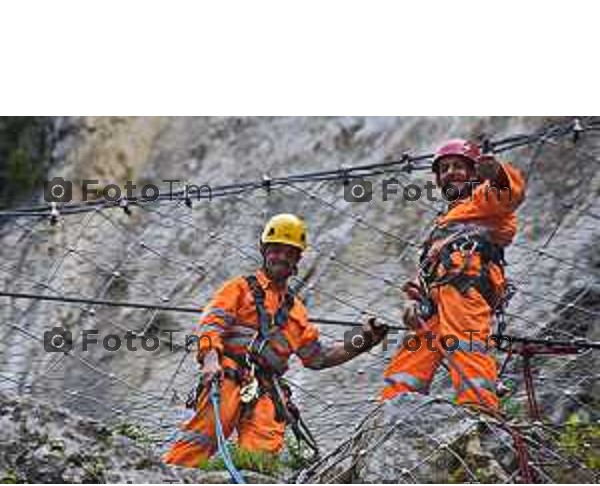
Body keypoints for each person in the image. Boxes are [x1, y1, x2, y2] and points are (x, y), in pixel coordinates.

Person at [164, 213, 387, 467]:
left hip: (268, 390)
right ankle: (167, 479)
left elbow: (318, 357)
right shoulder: (238, 289)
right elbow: (212, 325)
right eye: (276, 250)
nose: (282, 256)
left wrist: (364, 339)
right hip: (227, 375)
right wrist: (211, 361)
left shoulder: (297, 313)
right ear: (264, 250)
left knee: (260, 457)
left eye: (289, 252)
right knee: (202, 438)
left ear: (297, 260)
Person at [382, 139, 526, 410]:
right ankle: (392, 412)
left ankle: (480, 416)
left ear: (474, 174)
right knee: (411, 357)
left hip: (466, 292)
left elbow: (510, 193)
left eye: (459, 166)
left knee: (467, 348)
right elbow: (426, 272)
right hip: (436, 303)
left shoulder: (484, 199)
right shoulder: (444, 225)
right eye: (444, 168)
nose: (451, 172)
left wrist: (495, 172)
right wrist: (413, 299)